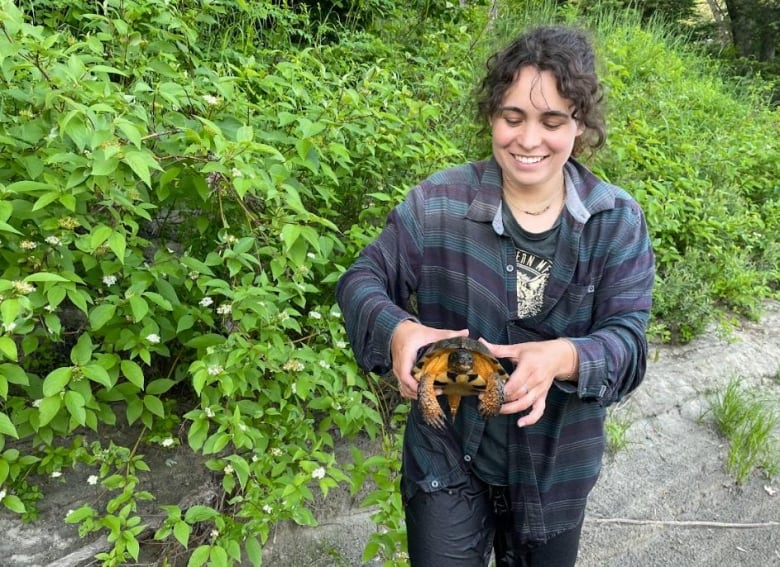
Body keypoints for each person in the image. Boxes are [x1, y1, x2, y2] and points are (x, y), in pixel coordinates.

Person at [336, 24, 654, 566]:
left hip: (556, 464)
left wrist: (565, 356)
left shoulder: (614, 220)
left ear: (580, 125)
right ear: (491, 116)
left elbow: (629, 342)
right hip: (446, 448)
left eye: (552, 121)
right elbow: (361, 279)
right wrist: (399, 329)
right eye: (513, 118)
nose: (529, 140)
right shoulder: (437, 204)